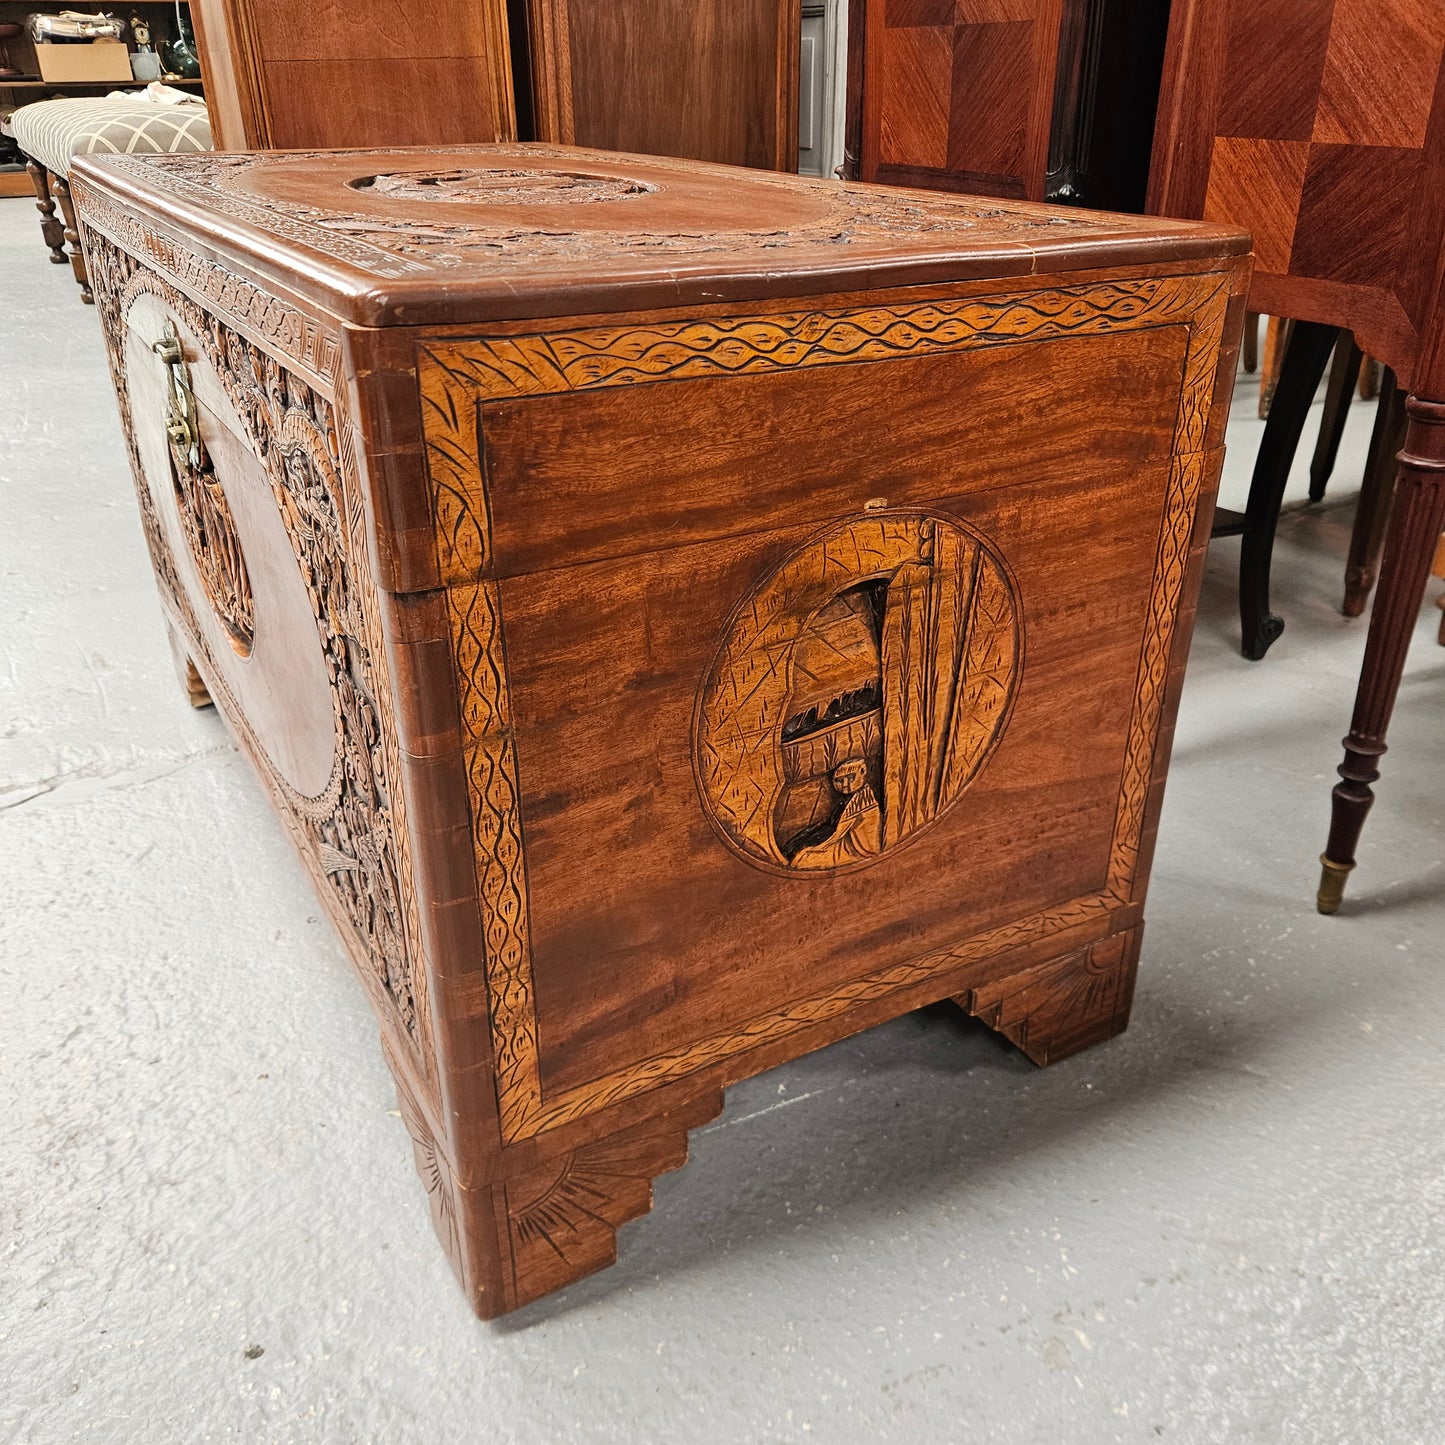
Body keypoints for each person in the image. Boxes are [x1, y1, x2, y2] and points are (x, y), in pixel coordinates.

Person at [791, 757, 882, 869]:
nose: (844, 784)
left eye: (850, 778)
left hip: (855, 850)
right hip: (842, 843)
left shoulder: (865, 801)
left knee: (803, 859)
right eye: (839, 780)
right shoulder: (849, 800)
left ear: (863, 772)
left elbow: (867, 843)